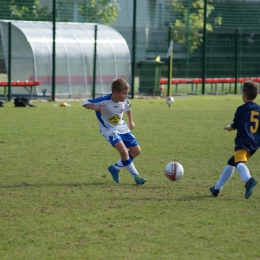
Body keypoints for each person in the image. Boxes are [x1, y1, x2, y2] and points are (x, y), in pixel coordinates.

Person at [82, 78, 146, 185]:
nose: (126, 96)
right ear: (115, 92)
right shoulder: (104, 100)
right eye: (124, 93)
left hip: (123, 128)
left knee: (136, 151)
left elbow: (128, 108)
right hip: (109, 130)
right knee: (124, 152)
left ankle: (115, 168)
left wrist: (131, 121)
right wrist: (95, 108)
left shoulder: (125, 100)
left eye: (127, 93)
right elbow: (85, 103)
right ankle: (137, 177)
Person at [210, 80, 259, 199]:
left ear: (244, 95)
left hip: (243, 140)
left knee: (239, 163)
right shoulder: (259, 109)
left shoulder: (241, 109)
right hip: (255, 142)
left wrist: (229, 127)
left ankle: (248, 180)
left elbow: (234, 125)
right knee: (231, 163)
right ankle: (216, 188)